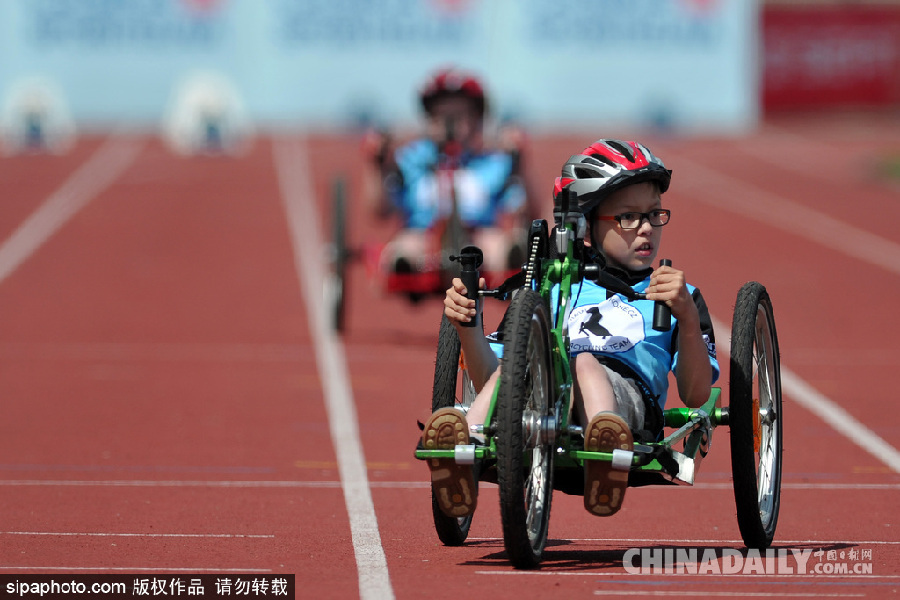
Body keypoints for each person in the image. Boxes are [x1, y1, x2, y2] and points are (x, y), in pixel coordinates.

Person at [421, 139, 719, 518]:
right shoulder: (546, 289)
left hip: (627, 402)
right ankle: (467, 446)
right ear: (585, 223)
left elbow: (695, 395)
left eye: (654, 214)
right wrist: (468, 327)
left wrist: (688, 320)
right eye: (628, 217)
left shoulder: (676, 293)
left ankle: (606, 453)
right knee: (512, 374)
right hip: (543, 397)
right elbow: (489, 379)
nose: (646, 228)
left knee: (584, 361)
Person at [361, 67, 528, 278]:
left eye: (459, 117)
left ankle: (510, 259)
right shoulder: (410, 159)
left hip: (477, 240)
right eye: (442, 116)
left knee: (496, 244)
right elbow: (380, 211)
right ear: (429, 119)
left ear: (477, 120)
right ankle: (403, 263)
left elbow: (524, 208)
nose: (450, 125)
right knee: (407, 246)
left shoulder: (492, 162)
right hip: (424, 237)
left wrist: (520, 162)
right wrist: (377, 165)